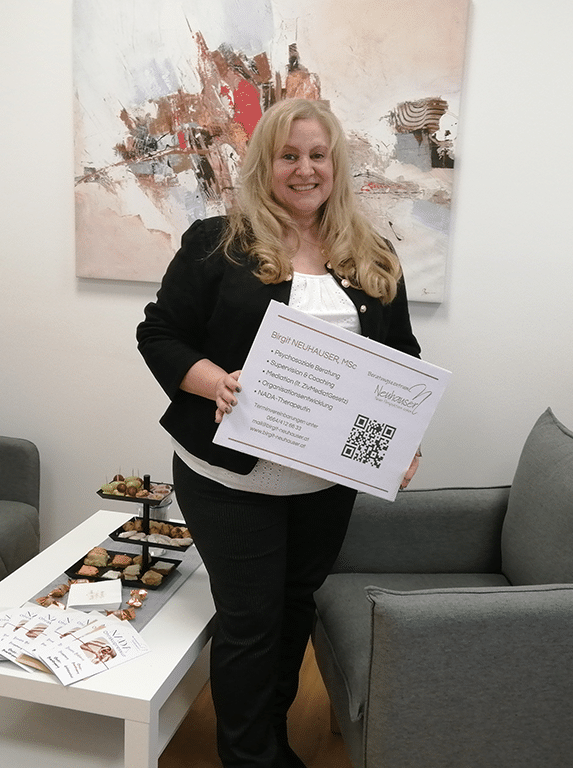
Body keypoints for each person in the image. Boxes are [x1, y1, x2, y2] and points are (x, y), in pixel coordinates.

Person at [137, 98, 422, 768]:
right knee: (250, 622)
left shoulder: (372, 253)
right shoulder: (216, 243)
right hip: (229, 478)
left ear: (335, 164)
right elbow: (160, 334)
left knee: (295, 611)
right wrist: (215, 382)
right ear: (264, 163)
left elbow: (399, 360)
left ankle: (271, 742)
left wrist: (398, 443)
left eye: (317, 155)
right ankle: (247, 757)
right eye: (288, 156)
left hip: (327, 481)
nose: (305, 169)